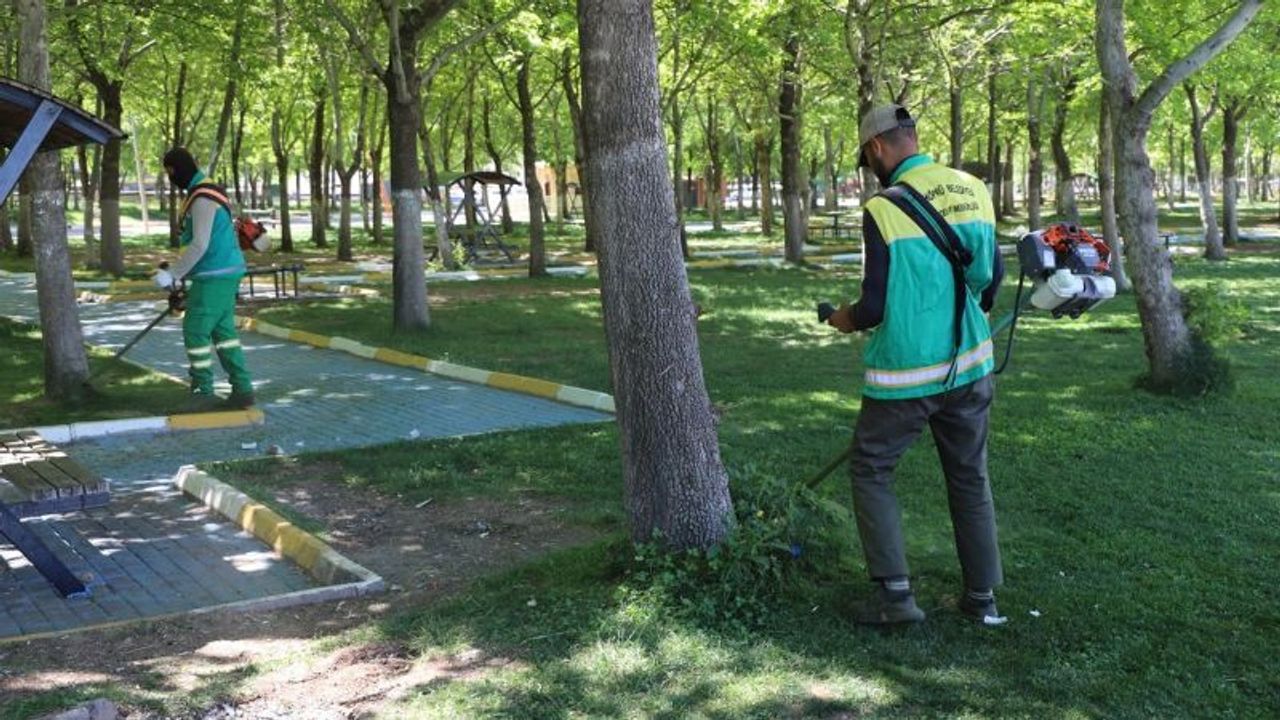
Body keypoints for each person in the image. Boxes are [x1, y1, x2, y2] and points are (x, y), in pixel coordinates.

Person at [826, 105, 1005, 625]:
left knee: (872, 468)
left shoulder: (882, 209)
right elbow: (989, 285)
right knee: (969, 476)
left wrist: (842, 318)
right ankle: (982, 599)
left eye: (866, 159)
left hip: (905, 375)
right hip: (970, 365)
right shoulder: (973, 189)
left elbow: (875, 307)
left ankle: (896, 597)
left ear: (877, 148)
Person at [153, 147, 255, 410]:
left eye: (170, 173)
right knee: (224, 333)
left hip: (214, 274)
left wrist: (173, 275)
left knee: (196, 331)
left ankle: (202, 392)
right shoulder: (206, 191)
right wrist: (179, 274)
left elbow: (199, 244)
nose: (170, 178)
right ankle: (243, 390)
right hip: (222, 272)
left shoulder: (202, 197)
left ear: (176, 169)